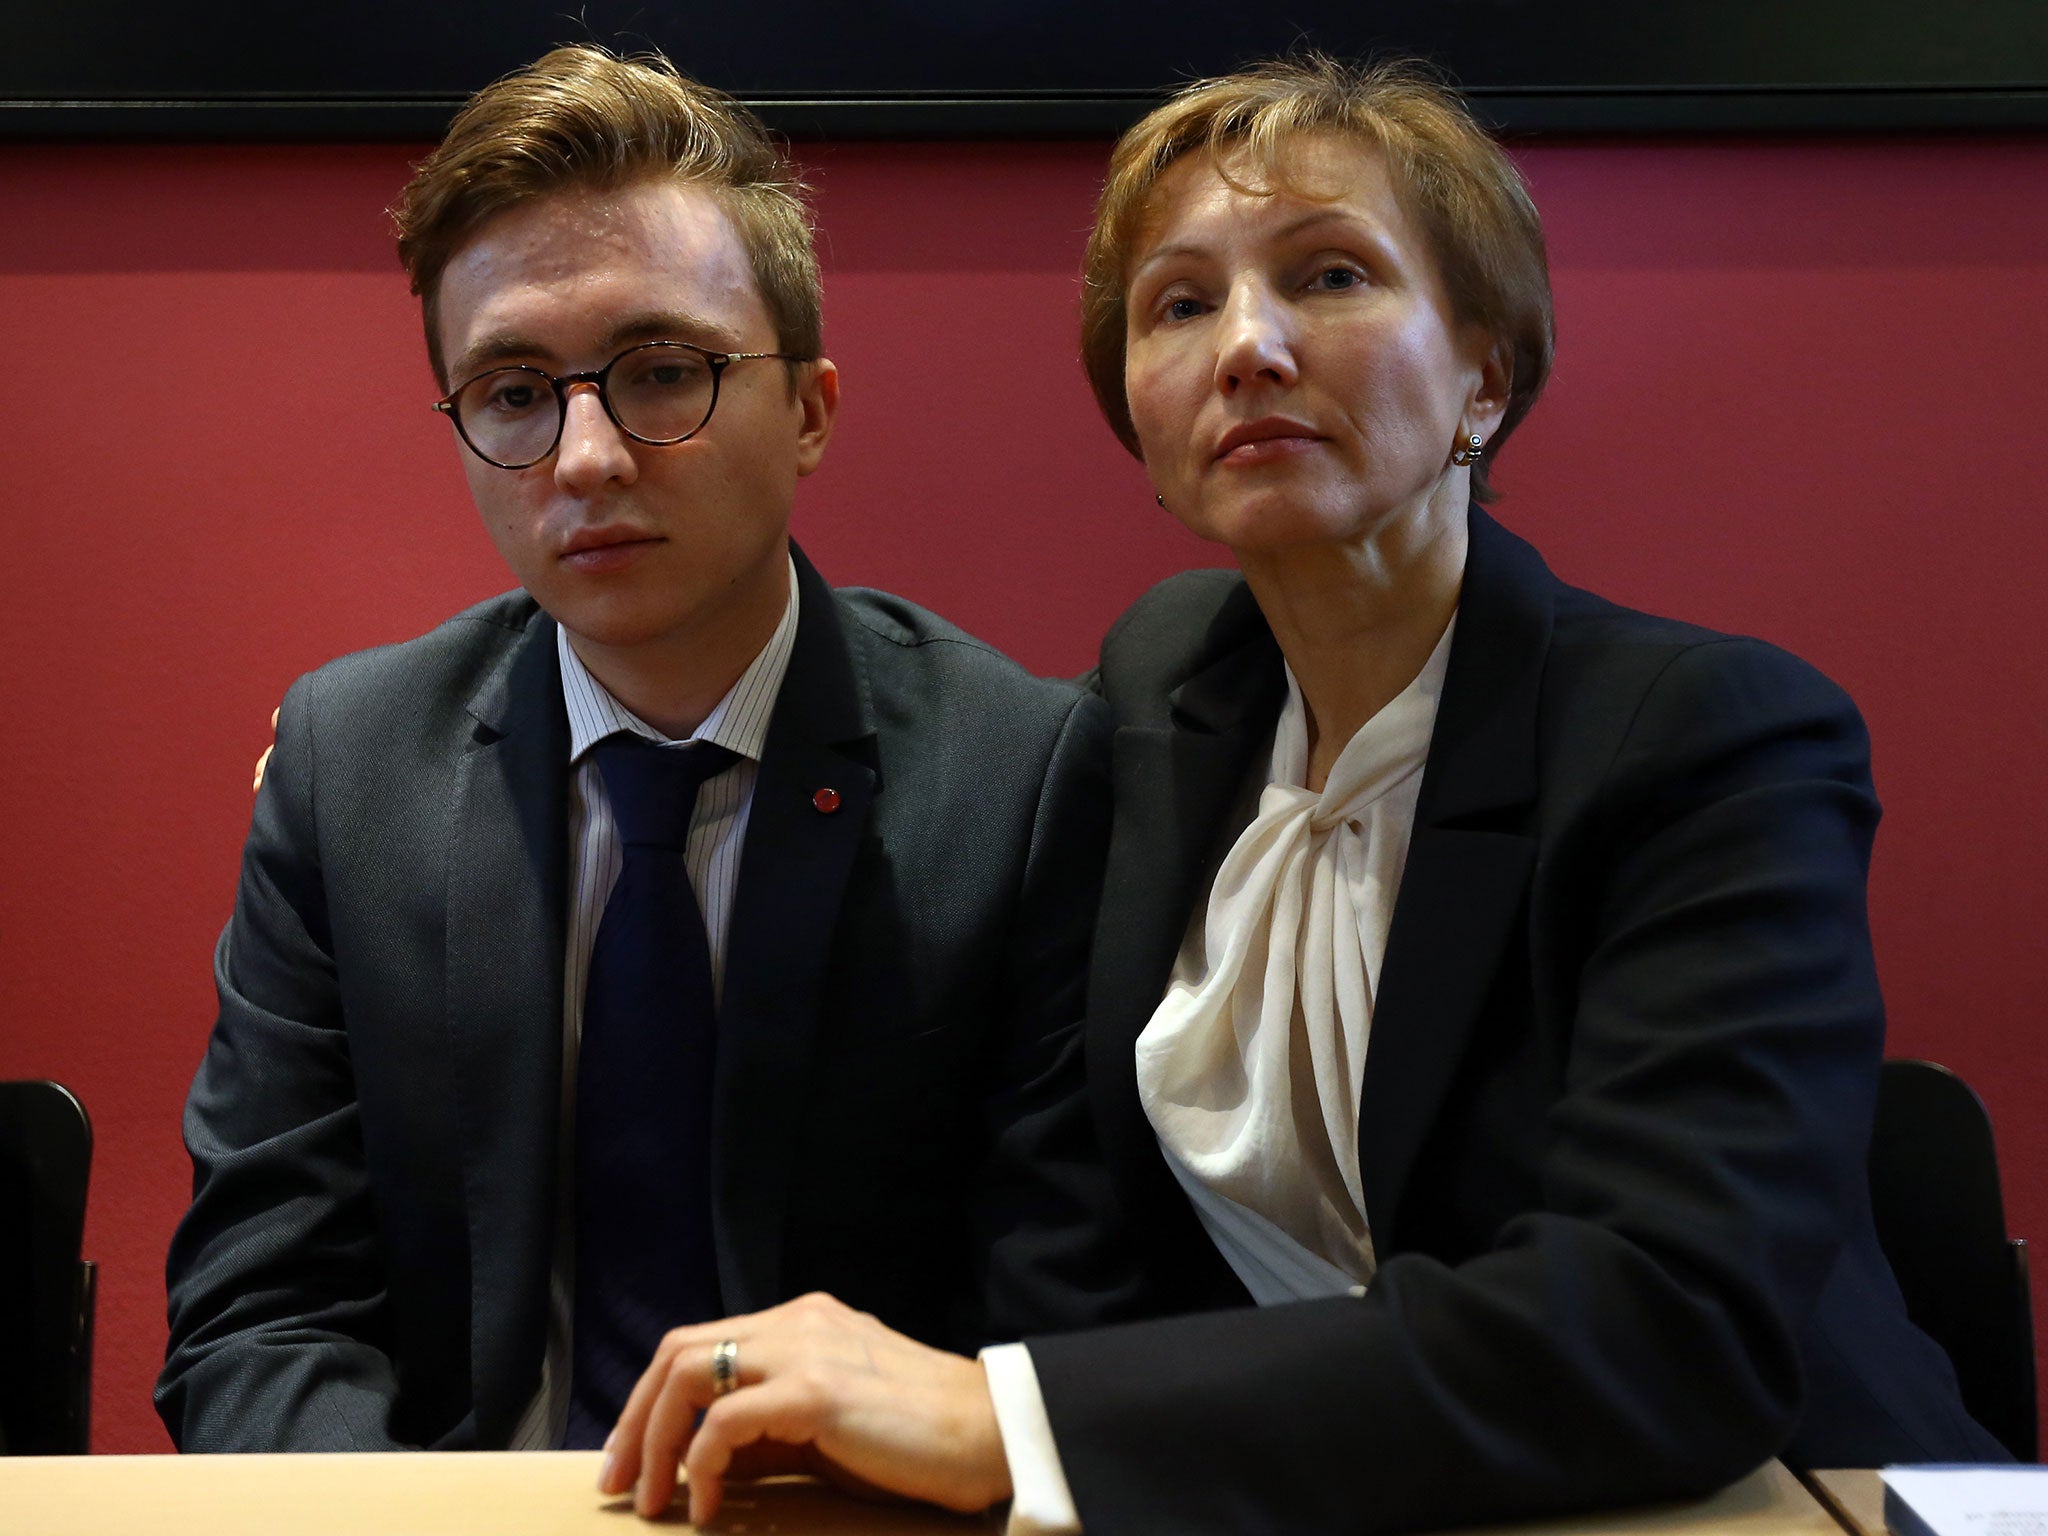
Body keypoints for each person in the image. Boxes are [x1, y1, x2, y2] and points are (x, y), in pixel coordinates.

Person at [598, 55, 2008, 1533]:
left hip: (1758, 1501)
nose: (1249, 348)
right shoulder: (1157, 690)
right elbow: (1074, 1210)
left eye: (1331, 275)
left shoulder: (1710, 741)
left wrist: (1007, 1416)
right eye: (1181, 304)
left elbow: (1665, 1321)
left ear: (1486, 372)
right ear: (1140, 419)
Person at [157, 45, 1127, 1455]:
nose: (588, 456)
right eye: (512, 393)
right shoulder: (344, 765)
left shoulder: (1023, 775)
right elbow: (261, 1308)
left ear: (808, 412)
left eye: (661, 372)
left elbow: (1056, 1320)